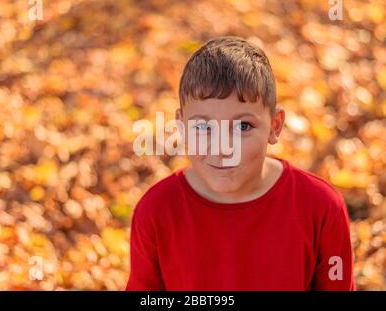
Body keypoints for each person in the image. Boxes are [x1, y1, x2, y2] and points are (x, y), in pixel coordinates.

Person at [126, 36, 355, 290]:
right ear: (181, 127)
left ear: (274, 126)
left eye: (243, 126)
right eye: (203, 127)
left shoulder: (321, 207)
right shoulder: (156, 211)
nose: (223, 147)